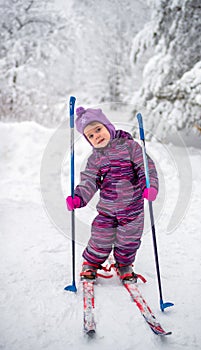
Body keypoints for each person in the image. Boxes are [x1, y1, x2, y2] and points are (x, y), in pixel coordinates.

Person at [66, 107, 158, 282]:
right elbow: (89, 181)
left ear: (108, 126)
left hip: (132, 210)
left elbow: (146, 168)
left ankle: (124, 264)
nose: (97, 136)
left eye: (98, 130)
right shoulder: (95, 158)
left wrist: (150, 186)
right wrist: (79, 197)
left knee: (128, 240)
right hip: (107, 210)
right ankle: (91, 263)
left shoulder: (131, 147)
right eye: (90, 136)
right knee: (100, 236)